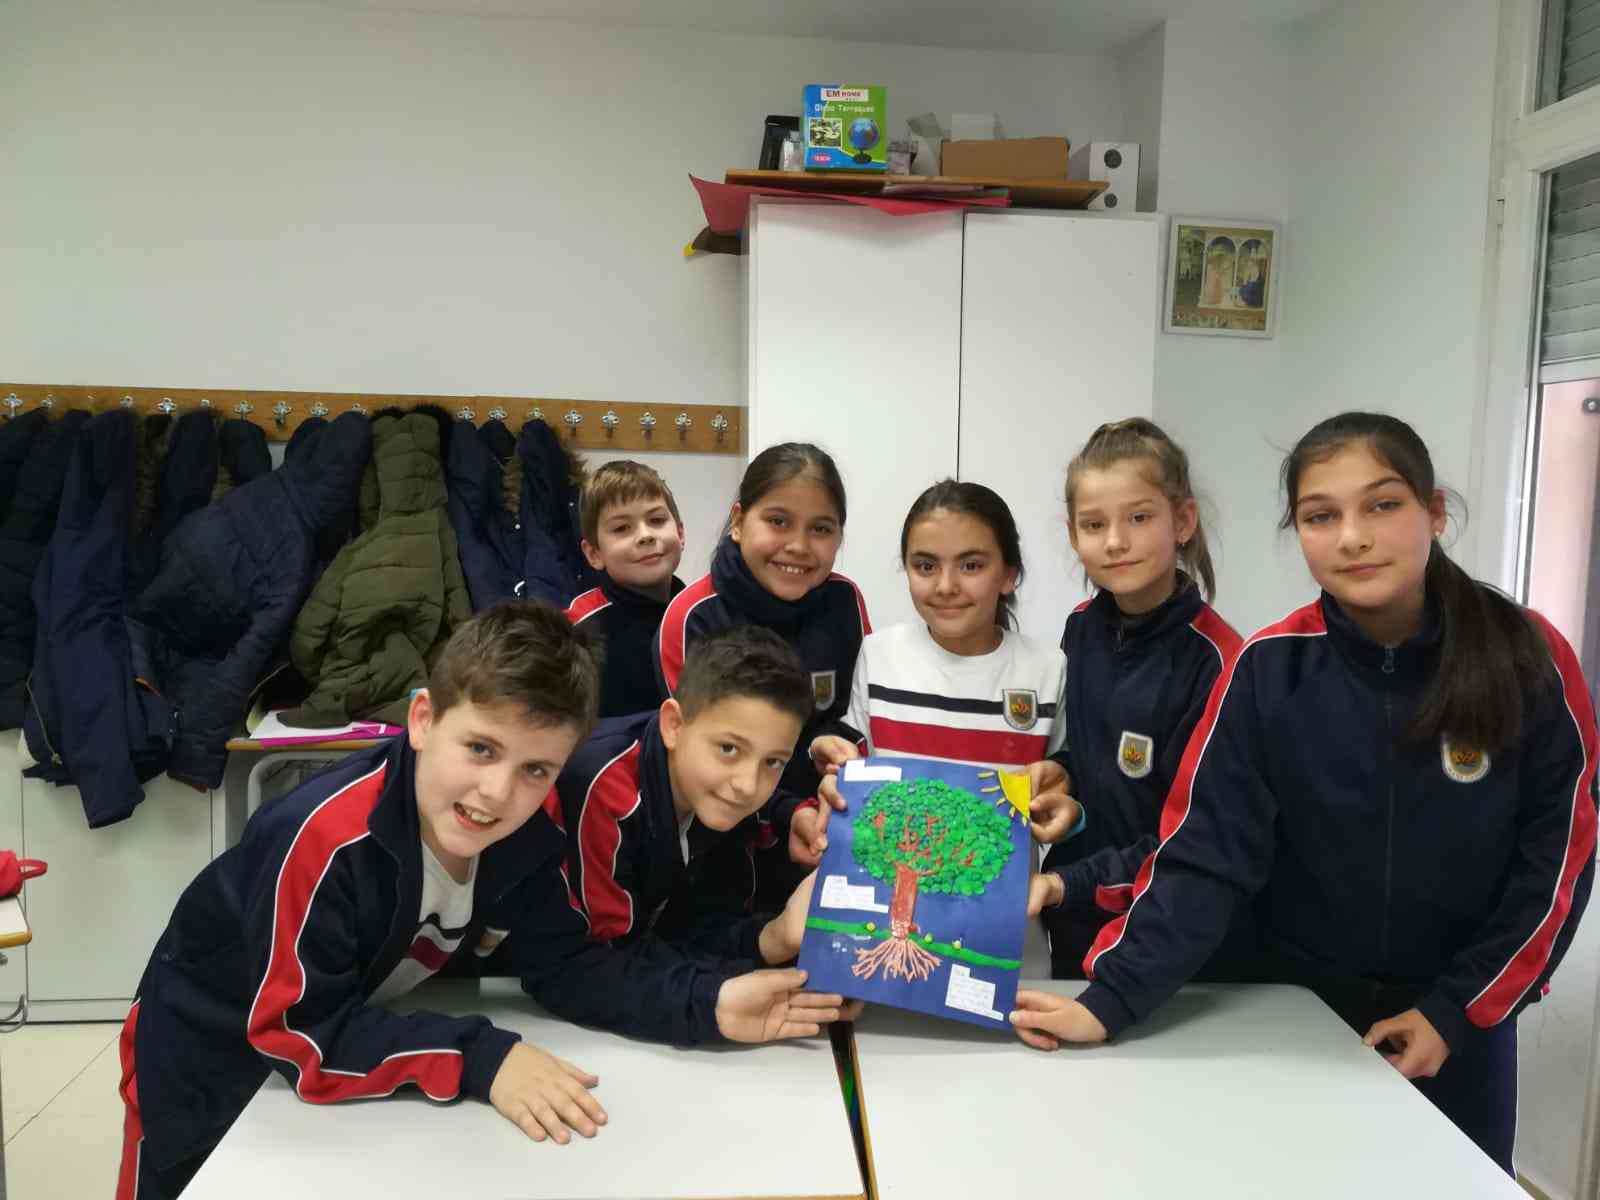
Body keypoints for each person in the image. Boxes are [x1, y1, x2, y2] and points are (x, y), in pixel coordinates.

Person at [1010, 413, 1598, 1174]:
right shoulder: (1269, 669)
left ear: (1434, 512)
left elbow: (1556, 863)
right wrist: (1112, 999)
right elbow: (1204, 855)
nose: (1353, 537)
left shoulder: (1528, 655)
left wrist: (1455, 1011)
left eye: (1382, 505)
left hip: (1456, 1024)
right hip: (1292, 1008)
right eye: (1321, 516)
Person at [117, 603, 852, 1199]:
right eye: (480, 749)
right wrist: (482, 1056)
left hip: (332, 1056)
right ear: (423, 720)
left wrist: (711, 1005)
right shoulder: (323, 837)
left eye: (536, 769)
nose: (498, 793)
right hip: (204, 1055)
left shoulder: (527, 834)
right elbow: (297, 1032)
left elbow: (569, 966)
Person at [1033, 419, 1242, 974]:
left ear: (1183, 521)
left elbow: (1192, 841)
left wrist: (1067, 883)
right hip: (1075, 919)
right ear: (1073, 535)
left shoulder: (1220, 662)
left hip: (1165, 932)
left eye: (1140, 518)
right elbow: (1090, 755)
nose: (1115, 541)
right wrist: (1064, 777)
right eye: (1094, 524)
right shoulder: (1081, 628)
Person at [798, 479, 1082, 881]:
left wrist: (1063, 785)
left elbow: (1065, 769)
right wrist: (826, 751)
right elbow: (852, 748)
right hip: (888, 888)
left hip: (998, 897)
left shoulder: (1048, 666)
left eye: (971, 566)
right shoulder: (879, 654)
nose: (946, 586)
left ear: (1009, 575)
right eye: (926, 566)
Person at [654, 443, 869, 906]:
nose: (798, 545)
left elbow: (849, 716)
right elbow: (696, 757)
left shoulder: (845, 603)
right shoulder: (693, 617)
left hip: (821, 832)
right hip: (717, 851)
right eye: (778, 521)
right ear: (738, 522)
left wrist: (824, 747)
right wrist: (786, 811)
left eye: (821, 529)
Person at [565, 460, 687, 717]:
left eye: (656, 520)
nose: (645, 535)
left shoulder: (700, 614)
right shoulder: (575, 633)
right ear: (594, 553)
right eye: (621, 528)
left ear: (680, 533)